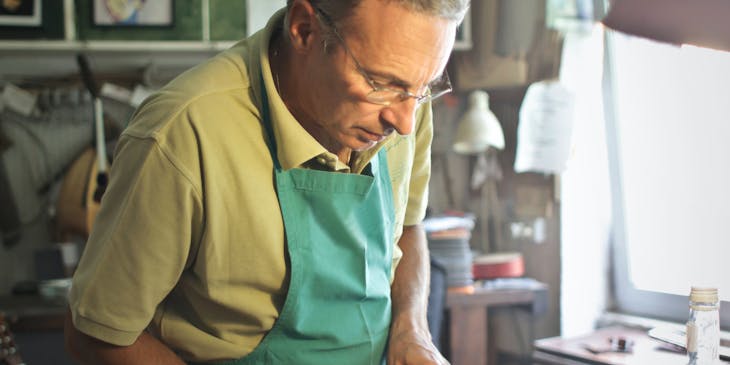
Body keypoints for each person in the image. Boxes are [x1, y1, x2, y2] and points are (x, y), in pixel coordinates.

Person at [64, 0, 468, 364]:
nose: (404, 123)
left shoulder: (405, 105)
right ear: (304, 29)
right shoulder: (183, 133)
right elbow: (97, 334)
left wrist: (410, 330)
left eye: (425, 88)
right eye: (381, 84)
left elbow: (407, 228)